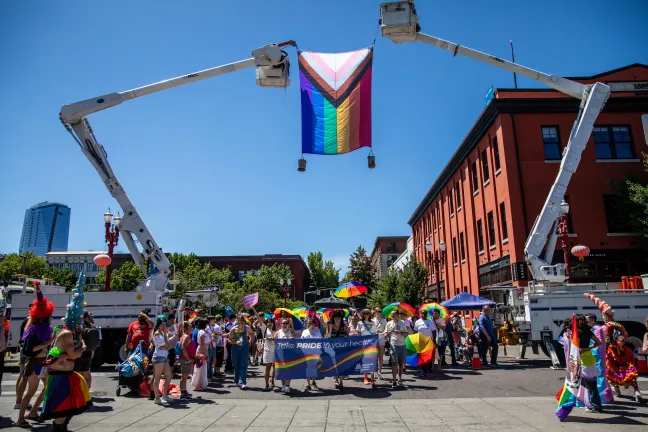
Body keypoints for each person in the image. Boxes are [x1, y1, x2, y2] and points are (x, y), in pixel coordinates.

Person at [40, 275, 92, 432]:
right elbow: (74, 355)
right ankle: (58, 429)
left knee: (73, 406)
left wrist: (60, 355)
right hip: (60, 376)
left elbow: (60, 352)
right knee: (61, 411)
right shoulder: (66, 334)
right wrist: (82, 347)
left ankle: (62, 428)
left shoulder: (66, 332)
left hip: (67, 374)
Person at [15, 285, 55, 428]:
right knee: (30, 391)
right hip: (34, 363)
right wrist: (47, 343)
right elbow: (30, 349)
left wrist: (39, 292)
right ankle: (20, 418)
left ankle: (32, 412)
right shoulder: (33, 331)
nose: (49, 318)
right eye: (47, 316)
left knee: (48, 386)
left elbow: (41, 303)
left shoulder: (42, 328)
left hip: (42, 362)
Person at [74, 312, 100, 393]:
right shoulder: (91, 326)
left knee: (78, 376)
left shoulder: (76, 326)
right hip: (87, 354)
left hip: (78, 353)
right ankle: (86, 396)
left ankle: (81, 396)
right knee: (86, 376)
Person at [228, 314, 255, 389]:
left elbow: (253, 333)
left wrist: (250, 340)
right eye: (238, 319)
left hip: (244, 348)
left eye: (240, 319)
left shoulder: (247, 328)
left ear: (243, 321)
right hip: (235, 348)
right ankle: (237, 380)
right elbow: (229, 339)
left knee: (243, 364)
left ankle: (242, 382)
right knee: (236, 364)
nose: (238, 320)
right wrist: (234, 342)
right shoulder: (233, 329)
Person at [151, 317, 173, 405]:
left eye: (165, 324)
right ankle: (157, 398)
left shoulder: (164, 333)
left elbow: (168, 345)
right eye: (162, 324)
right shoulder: (156, 334)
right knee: (157, 377)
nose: (164, 326)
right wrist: (166, 345)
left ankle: (164, 395)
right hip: (158, 357)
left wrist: (166, 345)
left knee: (169, 376)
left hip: (164, 356)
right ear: (158, 325)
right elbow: (161, 346)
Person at [385, 310, 408, 388]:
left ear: (397, 315)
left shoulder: (402, 323)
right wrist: (389, 332)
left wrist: (400, 332)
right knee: (394, 363)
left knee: (401, 363)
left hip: (402, 344)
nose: (393, 316)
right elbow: (385, 335)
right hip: (393, 344)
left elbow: (406, 334)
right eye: (391, 315)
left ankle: (400, 379)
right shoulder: (389, 323)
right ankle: (394, 380)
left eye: (394, 314)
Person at [326, 310, 348, 391]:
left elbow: (347, 336)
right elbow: (328, 337)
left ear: (341, 318)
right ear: (333, 318)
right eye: (335, 317)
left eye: (339, 317)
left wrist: (347, 332)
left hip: (342, 348)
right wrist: (331, 329)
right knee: (335, 365)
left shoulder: (344, 326)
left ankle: (341, 381)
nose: (337, 319)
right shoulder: (330, 325)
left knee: (342, 365)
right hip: (333, 348)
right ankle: (336, 379)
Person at [355, 310, 378, 387]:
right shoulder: (360, 323)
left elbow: (375, 334)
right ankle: (365, 377)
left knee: (372, 360)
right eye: (364, 314)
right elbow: (358, 335)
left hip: (371, 344)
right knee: (365, 361)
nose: (366, 315)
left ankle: (372, 379)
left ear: (370, 314)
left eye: (368, 313)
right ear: (362, 315)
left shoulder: (373, 323)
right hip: (363, 345)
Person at [301, 318, 323, 391]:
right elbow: (301, 341)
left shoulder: (317, 332)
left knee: (314, 367)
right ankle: (308, 383)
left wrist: (318, 339)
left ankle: (313, 381)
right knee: (307, 367)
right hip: (307, 352)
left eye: (310, 323)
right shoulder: (304, 331)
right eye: (307, 323)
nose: (308, 324)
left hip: (315, 352)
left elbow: (321, 340)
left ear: (313, 324)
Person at [414, 310, 436, 377]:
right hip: (420, 341)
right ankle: (423, 371)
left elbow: (434, 331)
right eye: (422, 314)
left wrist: (434, 341)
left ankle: (429, 371)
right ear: (420, 314)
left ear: (426, 314)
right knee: (422, 357)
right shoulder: (417, 322)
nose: (423, 315)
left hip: (429, 341)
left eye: (424, 314)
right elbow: (415, 331)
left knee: (429, 357)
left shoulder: (430, 322)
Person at [275, 318, 295, 394]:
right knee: (282, 370)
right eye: (283, 323)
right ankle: (283, 384)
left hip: (289, 354)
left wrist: (292, 339)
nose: (285, 325)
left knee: (288, 370)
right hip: (280, 354)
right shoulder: (277, 333)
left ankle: (287, 385)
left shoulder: (291, 331)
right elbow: (274, 342)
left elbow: (295, 341)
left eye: (286, 323)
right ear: (280, 324)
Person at [177, 321, 196, 399]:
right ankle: (183, 393)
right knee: (184, 376)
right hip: (185, 359)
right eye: (191, 327)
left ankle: (184, 391)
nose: (192, 328)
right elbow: (183, 348)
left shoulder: (185, 336)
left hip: (185, 358)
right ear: (188, 328)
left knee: (185, 376)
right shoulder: (186, 337)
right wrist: (188, 358)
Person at [192, 318, 210, 391]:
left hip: (202, 349)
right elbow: (202, 343)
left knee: (202, 368)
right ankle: (198, 384)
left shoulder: (201, 331)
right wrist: (205, 353)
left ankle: (200, 384)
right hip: (202, 350)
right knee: (199, 367)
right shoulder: (202, 332)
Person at [259, 317, 277, 390]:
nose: (270, 323)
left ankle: (272, 380)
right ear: (266, 324)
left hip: (275, 352)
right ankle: (267, 384)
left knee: (275, 368)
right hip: (267, 352)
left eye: (271, 322)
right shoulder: (265, 330)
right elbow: (259, 319)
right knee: (268, 368)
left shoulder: (275, 332)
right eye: (269, 322)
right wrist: (253, 308)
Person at [372, 308, 387, 380]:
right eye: (378, 312)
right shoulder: (372, 320)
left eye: (380, 312)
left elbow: (386, 330)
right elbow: (370, 330)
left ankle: (379, 372)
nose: (379, 313)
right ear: (375, 312)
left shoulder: (384, 320)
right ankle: (373, 371)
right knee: (374, 357)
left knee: (380, 357)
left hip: (381, 339)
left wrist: (383, 332)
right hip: (374, 340)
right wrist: (374, 331)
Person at [206, 315, 217, 381]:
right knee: (208, 361)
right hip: (209, 346)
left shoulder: (213, 328)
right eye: (213, 320)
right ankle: (207, 376)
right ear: (210, 321)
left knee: (211, 362)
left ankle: (210, 375)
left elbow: (213, 335)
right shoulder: (207, 328)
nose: (214, 321)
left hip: (213, 345)